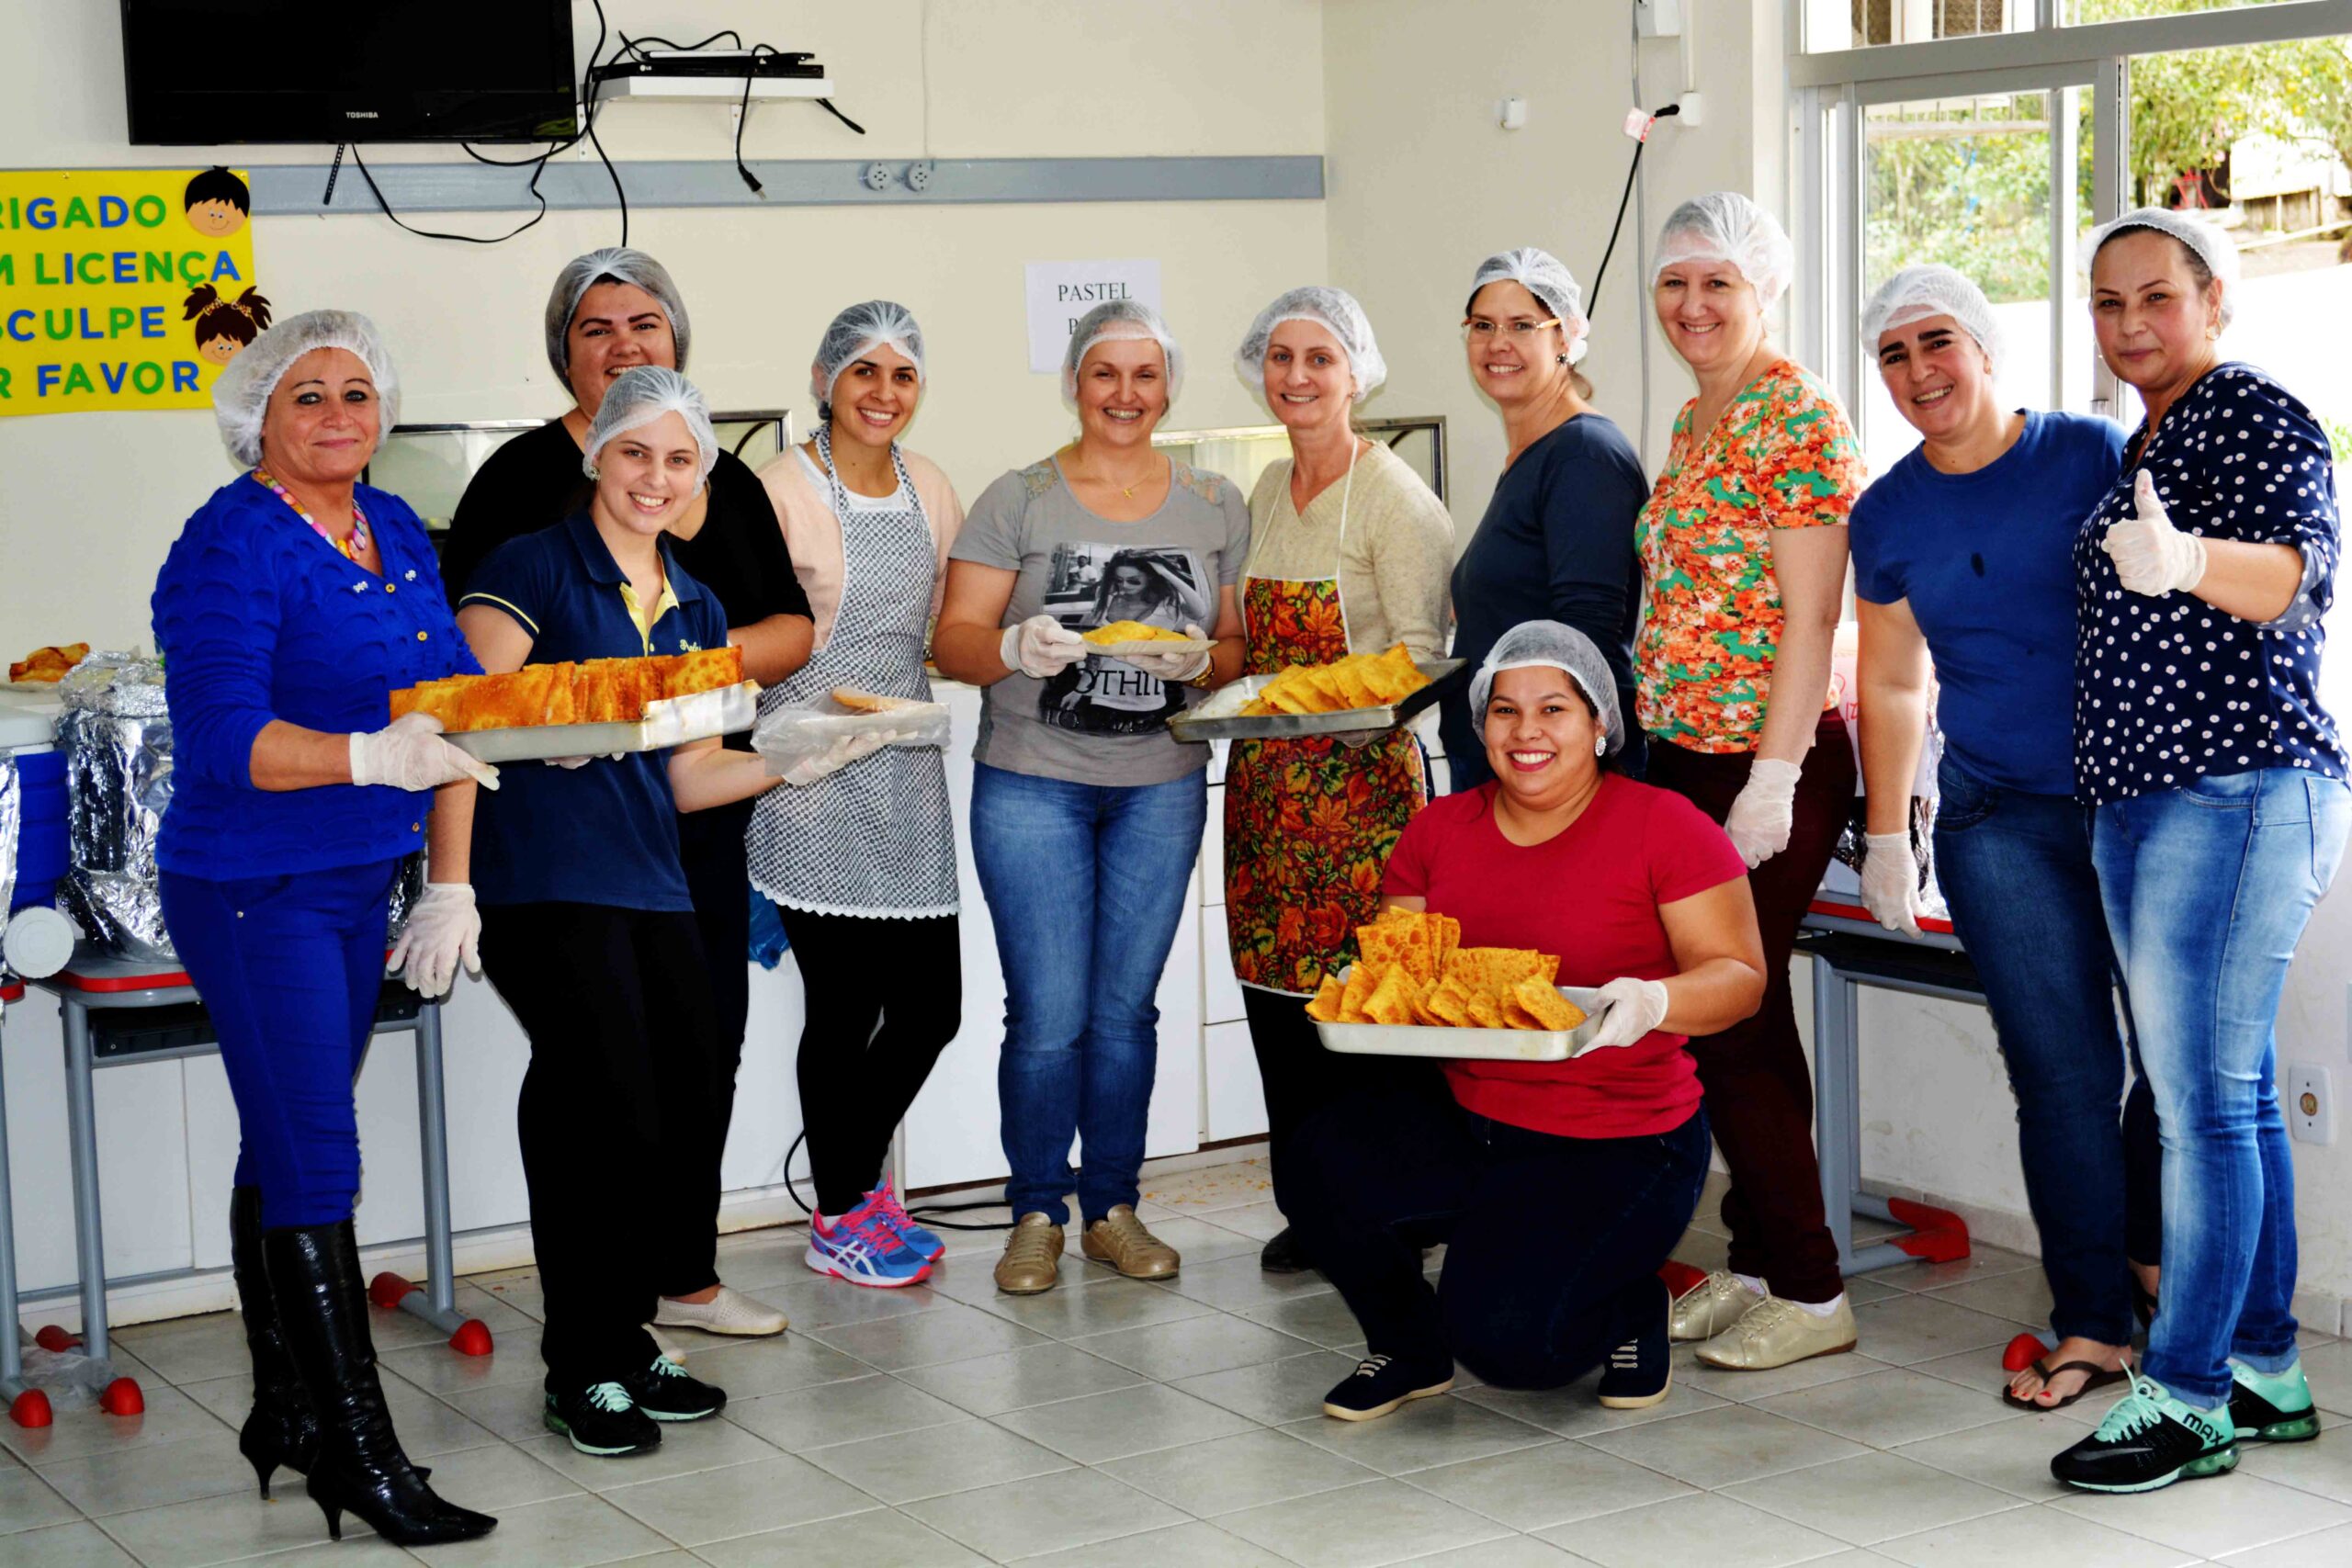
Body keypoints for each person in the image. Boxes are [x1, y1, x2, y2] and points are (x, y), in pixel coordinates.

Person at [153, 310, 498, 1546]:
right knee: (319, 1163)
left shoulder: (393, 523)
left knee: (288, 1139)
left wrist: (449, 881)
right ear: (259, 414)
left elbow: (455, 701)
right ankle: (361, 1451)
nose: (340, 412)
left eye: (358, 390)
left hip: (364, 879)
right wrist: (366, 750)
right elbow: (222, 739)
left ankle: (286, 1410)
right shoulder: (228, 543)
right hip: (256, 887)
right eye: (309, 394)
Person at [443, 247, 811, 1342]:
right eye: (597, 328)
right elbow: (466, 702)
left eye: (680, 463)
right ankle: (589, 1344)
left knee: (677, 1075)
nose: (657, 477)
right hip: (551, 862)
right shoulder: (528, 537)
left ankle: (658, 1301)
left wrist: (797, 752)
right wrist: (451, 880)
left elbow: (706, 747)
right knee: (595, 1090)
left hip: (668, 851)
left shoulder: (695, 594)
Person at [1280, 622, 1765, 1420]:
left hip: (1620, 1135)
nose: (1526, 731)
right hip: (1473, 1114)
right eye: (1504, 711)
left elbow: (1740, 979)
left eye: (1553, 709)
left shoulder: (1665, 826)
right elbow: (1404, 971)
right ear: (1481, 726)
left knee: (1512, 1349)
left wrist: (1654, 1000)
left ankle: (1627, 1305)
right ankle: (1409, 1345)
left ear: (1601, 722)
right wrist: (1372, 998)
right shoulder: (1439, 830)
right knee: (1317, 1164)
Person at [2049, 210, 2346, 1494]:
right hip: (2148, 798)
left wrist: (2188, 561)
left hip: (2232, 789)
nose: (2130, 326)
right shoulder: (2143, 440)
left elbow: (2294, 576)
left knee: (2203, 1102)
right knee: (2229, 1088)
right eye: (2108, 303)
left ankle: (2183, 1396)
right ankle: (2267, 1363)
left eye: (2155, 298)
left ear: (2213, 300)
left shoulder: (2258, 415)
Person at [1851, 264, 2158, 1412]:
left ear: (1983, 347)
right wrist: (1889, 832)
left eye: (1936, 342)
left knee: (2176, 1071)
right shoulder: (1886, 514)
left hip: (2140, 804)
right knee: (2063, 1079)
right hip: (1994, 821)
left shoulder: (2089, 451)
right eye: (1892, 354)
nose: (1918, 371)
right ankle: (2091, 1324)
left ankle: (2167, 1281)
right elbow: (1889, 683)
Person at [933, 299, 1249, 1296]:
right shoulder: (1018, 498)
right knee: (1047, 1016)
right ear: (1074, 383)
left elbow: (1238, 647)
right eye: (1104, 373)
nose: (1124, 394)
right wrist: (1011, 650)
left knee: (1124, 1013)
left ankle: (1112, 1205)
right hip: (1033, 782)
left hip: (1159, 785)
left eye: (1144, 375)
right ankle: (1035, 1213)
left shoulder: (1212, 501)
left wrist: (1203, 661)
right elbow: (953, 640)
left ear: (1168, 387)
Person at [1635, 193, 1866, 1371]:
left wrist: (1772, 776)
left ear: (1763, 289)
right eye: (1676, 283)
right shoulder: (1694, 420)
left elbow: (1814, 615)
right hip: (1680, 754)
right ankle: (1761, 1261)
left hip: (1762, 759)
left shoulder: (1793, 415)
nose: (1693, 306)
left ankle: (1815, 1291)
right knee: (1736, 1014)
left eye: (1716, 283)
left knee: (1730, 1009)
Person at [1220, 286, 1453, 1274]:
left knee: (1370, 1005)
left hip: (1363, 800)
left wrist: (1313, 693)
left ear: (1356, 374)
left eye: (1319, 359)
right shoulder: (1268, 489)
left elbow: (1421, 657)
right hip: (1265, 795)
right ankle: (1313, 1207)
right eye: (1280, 358)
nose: (1297, 378)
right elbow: (1244, 636)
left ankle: (1399, 1208)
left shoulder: (1395, 498)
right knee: (1278, 1004)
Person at [751, 301, 967, 1288]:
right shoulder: (778, 489)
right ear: (825, 378)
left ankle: (850, 1185)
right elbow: (751, 638)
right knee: (841, 1010)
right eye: (865, 373)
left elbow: (944, 629)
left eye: (903, 376)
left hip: (905, 769)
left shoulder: (930, 487)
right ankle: (843, 1213)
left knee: (931, 1007)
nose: (884, 393)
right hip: (809, 771)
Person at [1442, 248, 1649, 788]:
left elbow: (1588, 635)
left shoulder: (1583, 455)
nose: (1498, 343)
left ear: (1564, 338)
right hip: (1512, 758)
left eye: (1522, 325)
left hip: (1548, 767)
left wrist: (1566, 782)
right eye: (1483, 325)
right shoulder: (1534, 452)